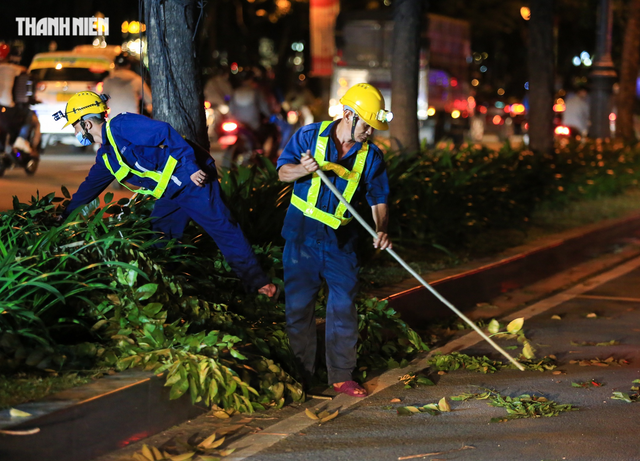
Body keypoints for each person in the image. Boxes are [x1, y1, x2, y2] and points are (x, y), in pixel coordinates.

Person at [53, 91, 276, 297]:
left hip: (191, 180)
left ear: (86, 123)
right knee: (161, 236)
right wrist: (65, 215)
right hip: (172, 191)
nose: (75, 132)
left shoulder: (122, 126)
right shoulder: (107, 155)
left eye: (74, 126)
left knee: (222, 229)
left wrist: (191, 168)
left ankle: (260, 285)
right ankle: (168, 290)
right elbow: (88, 189)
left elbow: (165, 133)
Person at [277, 83, 393, 397]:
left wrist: (381, 229)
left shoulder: (371, 155)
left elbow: (378, 198)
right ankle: (302, 375)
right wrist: (302, 168)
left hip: (342, 244)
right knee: (298, 309)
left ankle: (341, 376)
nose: (369, 131)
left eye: (373, 126)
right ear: (347, 114)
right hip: (301, 239)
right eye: (366, 124)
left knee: (343, 307)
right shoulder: (308, 137)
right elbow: (282, 173)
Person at [102, 52, 152, 118]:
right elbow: (149, 101)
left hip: (114, 119)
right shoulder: (137, 80)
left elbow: (102, 101)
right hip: (133, 118)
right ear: (129, 65)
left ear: (115, 65)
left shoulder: (108, 81)